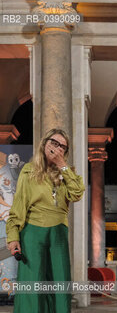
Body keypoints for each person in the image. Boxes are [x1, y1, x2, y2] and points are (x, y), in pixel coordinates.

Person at [6, 128, 85, 313]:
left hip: (58, 233)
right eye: (54, 143)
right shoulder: (29, 170)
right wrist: (13, 236)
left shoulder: (68, 173)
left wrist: (62, 165)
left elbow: (77, 193)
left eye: (62, 147)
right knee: (32, 286)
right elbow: (18, 206)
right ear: (44, 144)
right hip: (32, 232)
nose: (57, 148)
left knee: (60, 283)